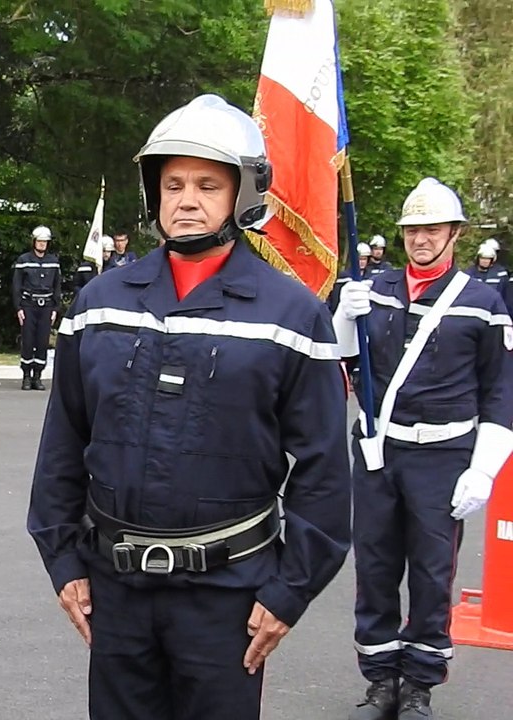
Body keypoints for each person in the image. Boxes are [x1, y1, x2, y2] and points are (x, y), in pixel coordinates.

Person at [27, 94, 351, 720]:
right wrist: (62, 555)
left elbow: (323, 471)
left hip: (228, 595)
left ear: (244, 194)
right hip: (115, 588)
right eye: (172, 184)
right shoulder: (100, 301)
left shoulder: (292, 315)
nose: (187, 199)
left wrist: (290, 590)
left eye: (207, 184)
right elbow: (63, 443)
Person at [335, 178, 513, 720]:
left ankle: (419, 685)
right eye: (413, 229)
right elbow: (343, 362)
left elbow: (502, 393)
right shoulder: (377, 289)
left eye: (432, 229)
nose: (420, 239)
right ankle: (381, 680)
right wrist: (345, 315)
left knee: (433, 575)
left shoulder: (483, 303)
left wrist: (482, 471)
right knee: (375, 567)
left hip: (443, 457)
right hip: (379, 453)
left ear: (454, 233)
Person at [12, 225, 61, 391]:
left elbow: (57, 286)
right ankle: (26, 376)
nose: (42, 244)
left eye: (45, 242)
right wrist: (18, 307)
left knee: (42, 341)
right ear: (34, 242)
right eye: (39, 241)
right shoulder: (23, 260)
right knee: (28, 341)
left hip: (46, 306)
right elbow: (16, 285)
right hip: (28, 305)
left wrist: (55, 308)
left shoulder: (53, 261)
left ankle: (37, 376)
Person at [328, 242, 372, 316]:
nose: (361, 262)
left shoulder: (371, 277)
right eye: (359, 259)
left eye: (364, 259)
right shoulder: (344, 276)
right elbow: (335, 299)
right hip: (346, 314)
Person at [468, 239, 511, 312]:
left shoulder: (501, 273)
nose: (485, 261)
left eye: (488, 259)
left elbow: (505, 295)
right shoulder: (469, 273)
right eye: (483, 258)